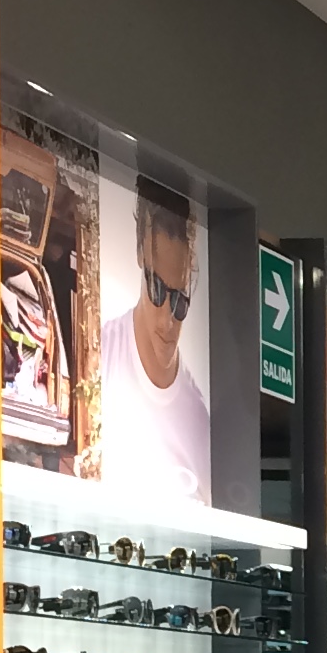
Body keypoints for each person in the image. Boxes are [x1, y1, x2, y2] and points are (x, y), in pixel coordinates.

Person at [95, 181, 210, 498]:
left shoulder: (200, 422)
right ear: (140, 253)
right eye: (157, 290)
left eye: (180, 302)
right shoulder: (99, 359)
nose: (167, 320)